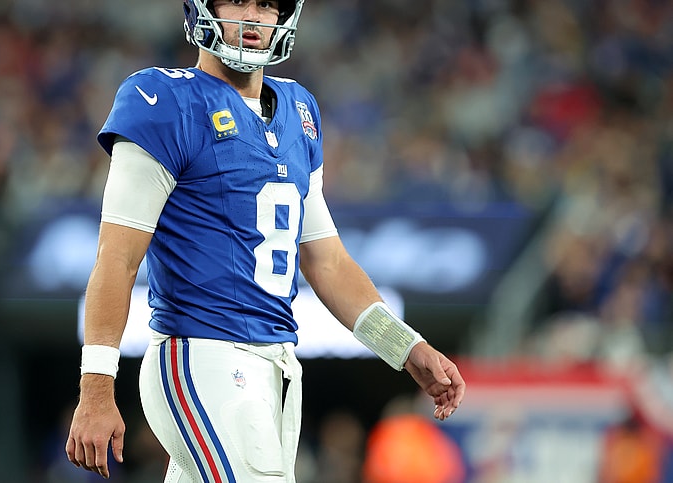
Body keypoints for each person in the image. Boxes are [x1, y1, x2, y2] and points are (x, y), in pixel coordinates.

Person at [65, 0, 466, 481]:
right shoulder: (163, 99)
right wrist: (96, 387)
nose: (253, 16)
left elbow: (328, 262)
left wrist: (406, 346)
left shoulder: (299, 109)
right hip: (202, 354)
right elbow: (117, 257)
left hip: (277, 366)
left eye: (267, 4)